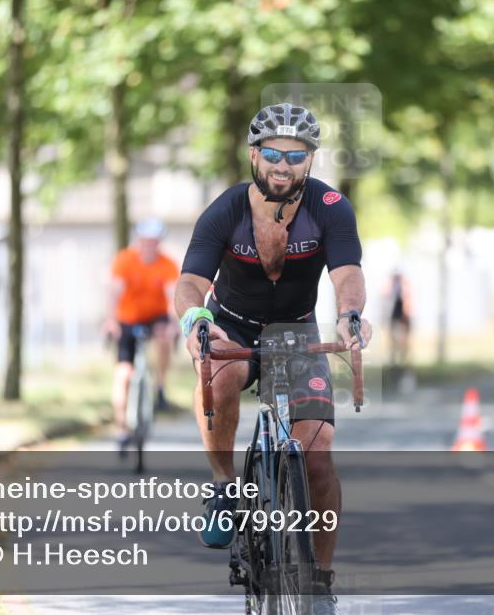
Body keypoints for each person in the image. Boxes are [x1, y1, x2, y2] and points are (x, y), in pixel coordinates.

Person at [175, 103, 372, 615]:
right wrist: (196, 319)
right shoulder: (226, 209)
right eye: (272, 153)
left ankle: (321, 582)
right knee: (219, 380)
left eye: (295, 155)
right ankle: (223, 488)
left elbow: (347, 273)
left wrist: (351, 316)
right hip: (232, 323)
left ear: (309, 159)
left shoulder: (330, 205)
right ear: (253, 155)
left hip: (296, 332)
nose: (283, 166)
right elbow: (192, 280)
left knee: (319, 453)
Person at [102, 218, 180, 451]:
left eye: (154, 242)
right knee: (123, 374)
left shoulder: (167, 264)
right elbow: (114, 291)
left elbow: (171, 295)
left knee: (164, 339)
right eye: (145, 241)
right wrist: (110, 320)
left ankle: (160, 387)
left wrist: (173, 322)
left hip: (155, 317)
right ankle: (121, 427)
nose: (149, 246)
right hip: (127, 318)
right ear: (139, 241)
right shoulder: (125, 260)